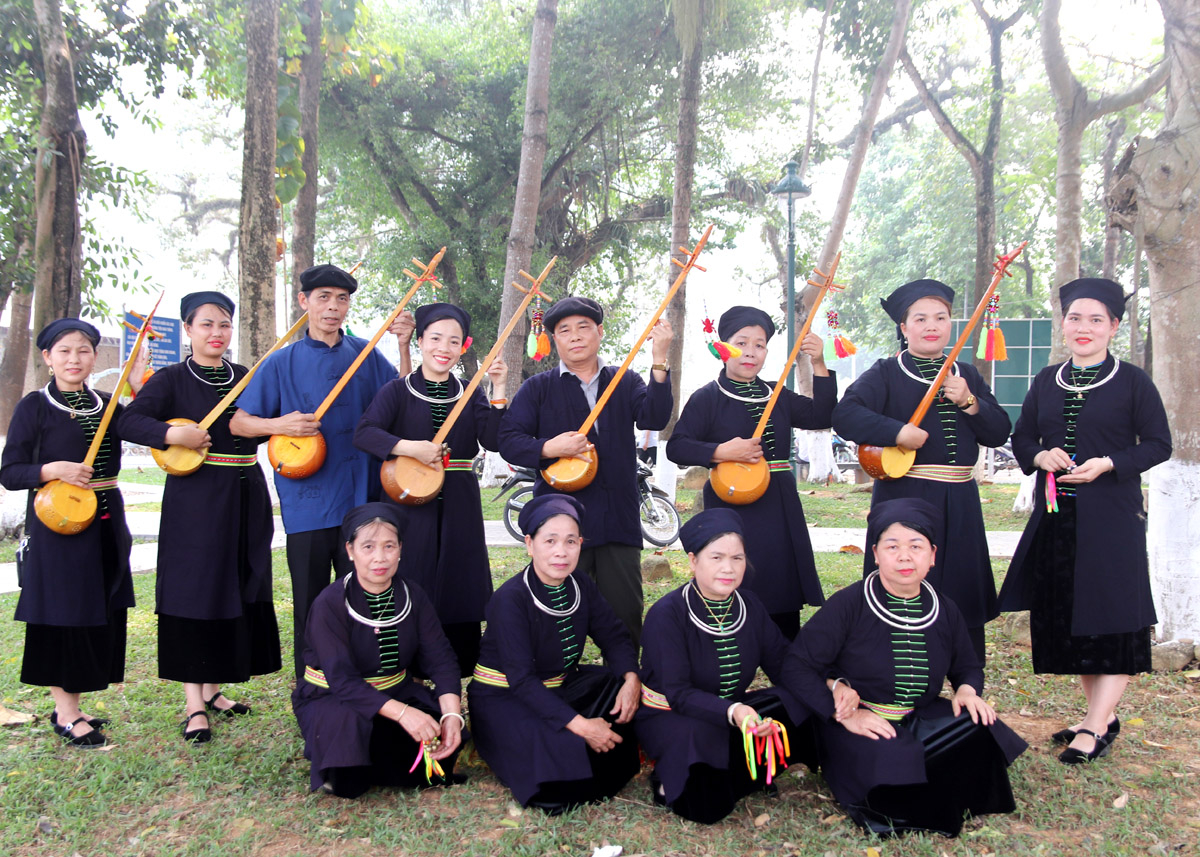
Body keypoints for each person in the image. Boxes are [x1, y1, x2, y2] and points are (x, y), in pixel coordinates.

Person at [998, 278, 1171, 765]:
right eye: (1075, 317)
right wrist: (1040, 454)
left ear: (1114, 326)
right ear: (1064, 322)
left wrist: (1110, 463)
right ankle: (1101, 714)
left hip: (1112, 519)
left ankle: (1095, 726)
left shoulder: (1133, 381)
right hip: (1056, 519)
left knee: (1113, 618)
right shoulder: (1046, 379)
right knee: (1076, 620)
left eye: (1096, 319)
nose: (1084, 327)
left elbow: (1159, 443)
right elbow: (1022, 437)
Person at [785, 498, 1027, 836]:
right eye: (893, 546)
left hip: (920, 715)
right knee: (889, 761)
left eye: (916, 546)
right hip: (861, 721)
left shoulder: (945, 608)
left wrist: (968, 691)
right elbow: (797, 665)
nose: (904, 556)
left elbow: (967, 665)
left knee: (978, 728)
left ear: (932, 555)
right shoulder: (848, 604)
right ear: (875, 553)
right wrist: (845, 713)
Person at [230, 264, 412, 679]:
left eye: (342, 299)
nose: (333, 307)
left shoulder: (365, 355)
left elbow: (403, 396)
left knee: (367, 600)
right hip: (307, 505)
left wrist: (403, 345)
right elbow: (239, 423)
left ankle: (368, 685)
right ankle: (311, 690)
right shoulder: (280, 363)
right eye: (323, 297)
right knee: (312, 603)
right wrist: (280, 425)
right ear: (304, 302)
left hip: (362, 503)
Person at [119, 292, 281, 742]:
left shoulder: (247, 377)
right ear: (188, 330)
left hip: (247, 492)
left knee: (236, 585)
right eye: (207, 325)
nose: (217, 333)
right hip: (196, 499)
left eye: (225, 325)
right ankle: (194, 705)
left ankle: (214, 689)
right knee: (197, 591)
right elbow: (128, 422)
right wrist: (174, 432)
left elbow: (264, 424)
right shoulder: (171, 378)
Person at [832, 280, 1011, 661]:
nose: (932, 325)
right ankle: (891, 672)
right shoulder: (885, 372)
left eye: (941, 318)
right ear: (904, 327)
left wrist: (969, 401)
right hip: (904, 500)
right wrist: (897, 431)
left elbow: (998, 432)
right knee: (901, 585)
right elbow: (844, 415)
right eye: (921, 318)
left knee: (961, 591)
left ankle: (966, 677)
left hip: (960, 500)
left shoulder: (967, 374)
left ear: (950, 324)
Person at [0, 319, 145, 748]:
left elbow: (142, 430)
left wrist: (136, 389)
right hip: (57, 529)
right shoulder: (35, 407)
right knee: (64, 615)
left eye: (83, 350)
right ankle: (65, 715)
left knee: (95, 612)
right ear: (47, 358)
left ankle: (74, 705)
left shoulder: (106, 404)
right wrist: (51, 470)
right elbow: (9, 473)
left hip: (105, 522)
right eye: (64, 351)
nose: (74, 359)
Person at [498, 296, 672, 646]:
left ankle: (624, 686)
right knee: (556, 622)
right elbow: (508, 440)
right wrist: (550, 448)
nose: (575, 336)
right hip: (559, 525)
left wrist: (660, 359)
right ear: (554, 340)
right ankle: (555, 690)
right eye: (564, 330)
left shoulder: (623, 381)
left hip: (616, 521)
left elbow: (654, 417)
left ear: (600, 332)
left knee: (624, 619)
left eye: (584, 327)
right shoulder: (538, 388)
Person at [354, 302, 506, 675]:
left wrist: (498, 388)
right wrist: (410, 448)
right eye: (436, 337)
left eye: (453, 341)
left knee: (458, 576)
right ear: (420, 340)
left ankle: (455, 672)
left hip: (459, 499)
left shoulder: (471, 392)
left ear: (463, 347)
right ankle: (406, 669)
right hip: (407, 500)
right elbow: (364, 432)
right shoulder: (397, 390)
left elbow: (493, 438)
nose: (444, 347)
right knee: (413, 571)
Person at [667, 305, 836, 639]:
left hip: (778, 503)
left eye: (759, 345)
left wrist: (818, 363)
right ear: (722, 348)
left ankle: (786, 661)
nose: (750, 352)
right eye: (741, 342)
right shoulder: (708, 398)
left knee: (780, 581)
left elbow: (822, 415)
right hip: (730, 505)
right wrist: (720, 452)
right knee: (733, 580)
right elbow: (677, 447)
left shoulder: (778, 395)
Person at [636, 508, 814, 824]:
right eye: (716, 558)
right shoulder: (667, 614)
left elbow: (783, 665)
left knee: (798, 703)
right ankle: (681, 775)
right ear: (693, 561)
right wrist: (735, 713)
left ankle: (741, 765)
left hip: (733, 712)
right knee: (706, 801)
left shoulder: (750, 605)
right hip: (674, 716)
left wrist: (828, 687)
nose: (728, 568)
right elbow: (678, 694)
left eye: (737, 558)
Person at [468, 494, 641, 814]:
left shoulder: (581, 585)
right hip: (505, 698)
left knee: (621, 685)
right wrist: (582, 725)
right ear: (530, 544)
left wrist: (631, 680)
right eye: (550, 540)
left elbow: (614, 637)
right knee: (561, 776)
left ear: (580, 544)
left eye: (571, 541)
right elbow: (521, 681)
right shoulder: (510, 599)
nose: (561, 551)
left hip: (560, 686)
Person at [292, 503, 464, 798]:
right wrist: (405, 715)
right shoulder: (329, 604)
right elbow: (343, 682)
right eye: (368, 547)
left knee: (439, 757)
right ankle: (343, 757)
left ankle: (373, 750)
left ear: (400, 549)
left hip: (396, 692)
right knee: (349, 783)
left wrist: (452, 716)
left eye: (389, 546)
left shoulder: (413, 596)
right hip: (335, 699)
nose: (380, 558)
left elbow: (442, 659)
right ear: (350, 550)